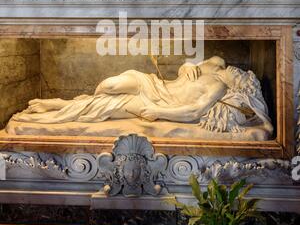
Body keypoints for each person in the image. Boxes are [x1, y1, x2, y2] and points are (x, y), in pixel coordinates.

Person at [11, 56, 273, 138]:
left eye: (239, 77)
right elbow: (186, 66)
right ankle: (72, 103)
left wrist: (160, 113)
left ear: (238, 88)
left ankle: (59, 107)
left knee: (106, 106)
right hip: (152, 82)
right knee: (108, 85)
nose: (235, 72)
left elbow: (193, 111)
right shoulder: (216, 63)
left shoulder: (219, 90)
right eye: (239, 70)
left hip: (157, 102)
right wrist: (187, 66)